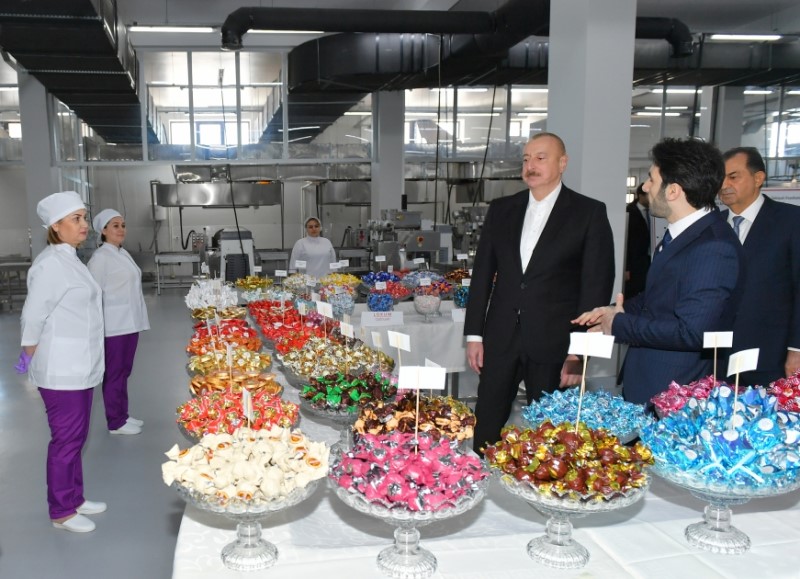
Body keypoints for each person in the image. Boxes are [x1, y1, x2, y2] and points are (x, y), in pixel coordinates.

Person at [464, 132, 615, 454]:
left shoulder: (588, 212)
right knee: (486, 421)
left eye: (540, 158)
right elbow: (482, 276)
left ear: (563, 163)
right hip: (500, 336)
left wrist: (579, 355)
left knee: (550, 433)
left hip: (555, 341)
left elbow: (596, 285)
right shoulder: (502, 209)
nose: (530, 165)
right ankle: (479, 474)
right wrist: (474, 335)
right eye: (526, 159)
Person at [573, 138, 744, 406]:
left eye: (652, 179)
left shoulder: (713, 247)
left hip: (674, 393)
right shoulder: (683, 235)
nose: (645, 187)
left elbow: (692, 332)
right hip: (651, 382)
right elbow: (659, 297)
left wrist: (619, 325)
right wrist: (613, 312)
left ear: (673, 191)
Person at [17, 191, 107, 533]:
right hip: (61, 369)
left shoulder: (70, 259)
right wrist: (28, 359)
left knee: (76, 438)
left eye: (84, 218)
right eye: (76, 219)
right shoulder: (50, 265)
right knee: (66, 441)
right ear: (56, 226)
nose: (84, 225)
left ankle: (74, 498)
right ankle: (61, 512)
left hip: (79, 365)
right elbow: (33, 316)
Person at [718, 147, 800, 385]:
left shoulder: (791, 221)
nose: (724, 185)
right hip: (716, 359)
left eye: (733, 177)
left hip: (771, 356)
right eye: (720, 178)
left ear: (758, 178)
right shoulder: (713, 226)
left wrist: (796, 349)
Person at [87, 209, 150, 436]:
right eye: (115, 225)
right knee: (114, 373)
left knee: (124, 371)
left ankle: (122, 414)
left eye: (123, 225)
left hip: (130, 323)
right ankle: (115, 422)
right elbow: (92, 295)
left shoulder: (122, 253)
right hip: (113, 326)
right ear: (103, 231)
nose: (121, 229)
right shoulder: (100, 258)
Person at [624, 184, 651, 299]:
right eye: (648, 195)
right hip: (634, 262)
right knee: (633, 292)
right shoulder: (629, 212)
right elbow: (627, 241)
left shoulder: (653, 212)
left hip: (647, 260)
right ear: (640, 195)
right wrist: (626, 267)